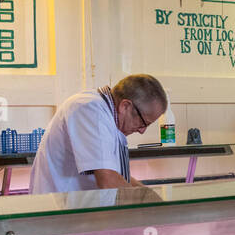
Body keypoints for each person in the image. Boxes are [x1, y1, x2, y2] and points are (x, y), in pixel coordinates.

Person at [31, 74, 169, 193]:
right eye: (143, 122)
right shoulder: (89, 109)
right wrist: (146, 209)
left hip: (78, 212)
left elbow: (115, 175)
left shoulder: (107, 115)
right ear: (125, 106)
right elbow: (108, 180)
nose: (142, 130)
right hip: (58, 214)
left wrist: (148, 195)